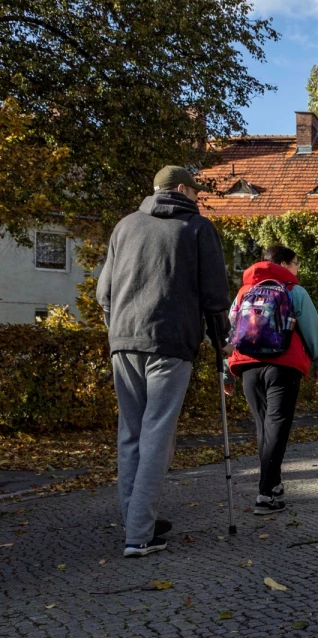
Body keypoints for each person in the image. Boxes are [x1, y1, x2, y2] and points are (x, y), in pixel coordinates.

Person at [97, 166, 230, 558]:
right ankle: (139, 534)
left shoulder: (125, 226)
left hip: (124, 341)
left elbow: (104, 291)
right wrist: (220, 341)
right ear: (183, 189)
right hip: (170, 342)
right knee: (157, 435)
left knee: (131, 433)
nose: (198, 198)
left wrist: (116, 330)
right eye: (196, 192)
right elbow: (215, 297)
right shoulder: (197, 229)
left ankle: (138, 520)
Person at [226, 245, 318, 515]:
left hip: (248, 367)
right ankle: (265, 494)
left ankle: (274, 484)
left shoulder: (243, 293)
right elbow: (313, 331)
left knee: (264, 428)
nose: (297, 269)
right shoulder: (295, 292)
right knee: (277, 428)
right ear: (283, 264)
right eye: (295, 263)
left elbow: (231, 333)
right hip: (283, 365)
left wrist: (227, 373)